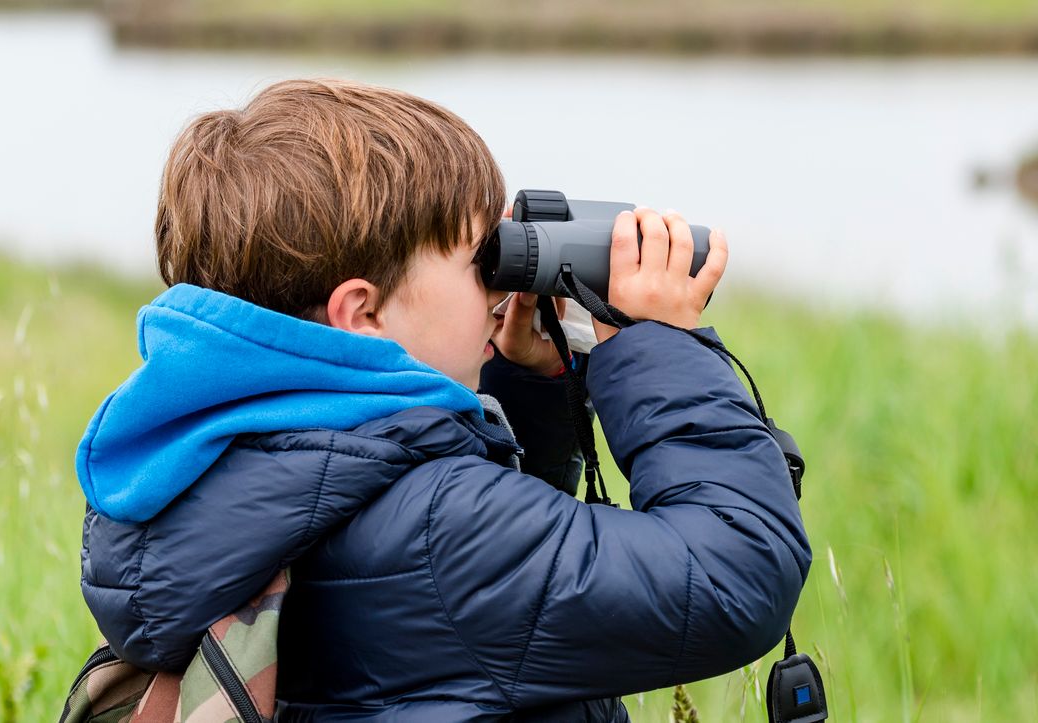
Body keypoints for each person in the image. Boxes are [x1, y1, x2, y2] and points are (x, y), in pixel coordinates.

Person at [75, 77, 810, 721]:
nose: (500, 284)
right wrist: (654, 345)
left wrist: (533, 386)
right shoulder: (441, 526)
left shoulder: (229, 467)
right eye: (477, 261)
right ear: (361, 313)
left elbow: (469, 608)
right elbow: (736, 574)